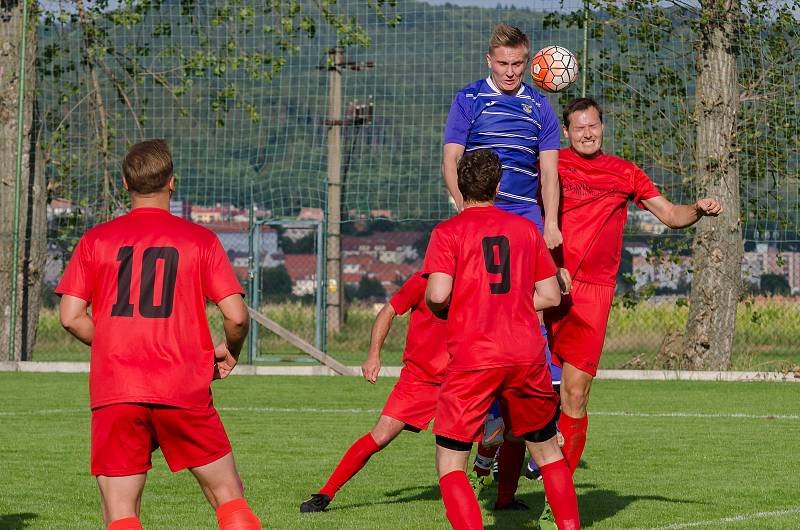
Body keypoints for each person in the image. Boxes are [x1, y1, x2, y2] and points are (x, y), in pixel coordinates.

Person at [536, 97, 722, 529]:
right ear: (565, 132)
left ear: (602, 128)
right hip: (546, 285)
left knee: (575, 395)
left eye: (593, 126)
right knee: (525, 389)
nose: (587, 133)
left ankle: (555, 500)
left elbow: (671, 215)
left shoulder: (624, 172)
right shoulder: (551, 165)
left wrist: (697, 209)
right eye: (579, 127)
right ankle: (498, 470)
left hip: (593, 297)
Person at [56, 140, 261, 530]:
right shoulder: (200, 240)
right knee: (228, 496)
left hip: (116, 388)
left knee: (121, 512)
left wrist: (116, 345)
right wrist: (230, 349)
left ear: (124, 183)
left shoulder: (95, 241)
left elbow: (70, 317)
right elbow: (235, 316)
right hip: (182, 384)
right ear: (172, 182)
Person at [442, 23, 567, 508]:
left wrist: (550, 222)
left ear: (529, 60)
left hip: (526, 220)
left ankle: (537, 425)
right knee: (482, 313)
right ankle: (493, 416)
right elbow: (451, 159)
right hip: (480, 215)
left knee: (538, 311)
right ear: (488, 61)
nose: (511, 72)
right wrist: (463, 207)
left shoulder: (540, 106)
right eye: (503, 64)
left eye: (518, 64)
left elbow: (549, 169)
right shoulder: (468, 100)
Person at [423, 149, 580, 530]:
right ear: (498, 186)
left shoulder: (448, 232)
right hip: (525, 353)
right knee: (546, 450)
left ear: (461, 187)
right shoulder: (525, 229)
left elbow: (438, 295)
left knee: (451, 462)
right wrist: (508, 303)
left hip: (475, 355)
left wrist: (470, 301)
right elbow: (550, 296)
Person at [299, 272, 449, 513]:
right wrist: (373, 355)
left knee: (482, 436)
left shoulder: (474, 282)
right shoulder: (422, 281)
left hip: (460, 378)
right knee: (380, 436)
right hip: (418, 379)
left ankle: (500, 496)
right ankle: (326, 493)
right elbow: (387, 312)